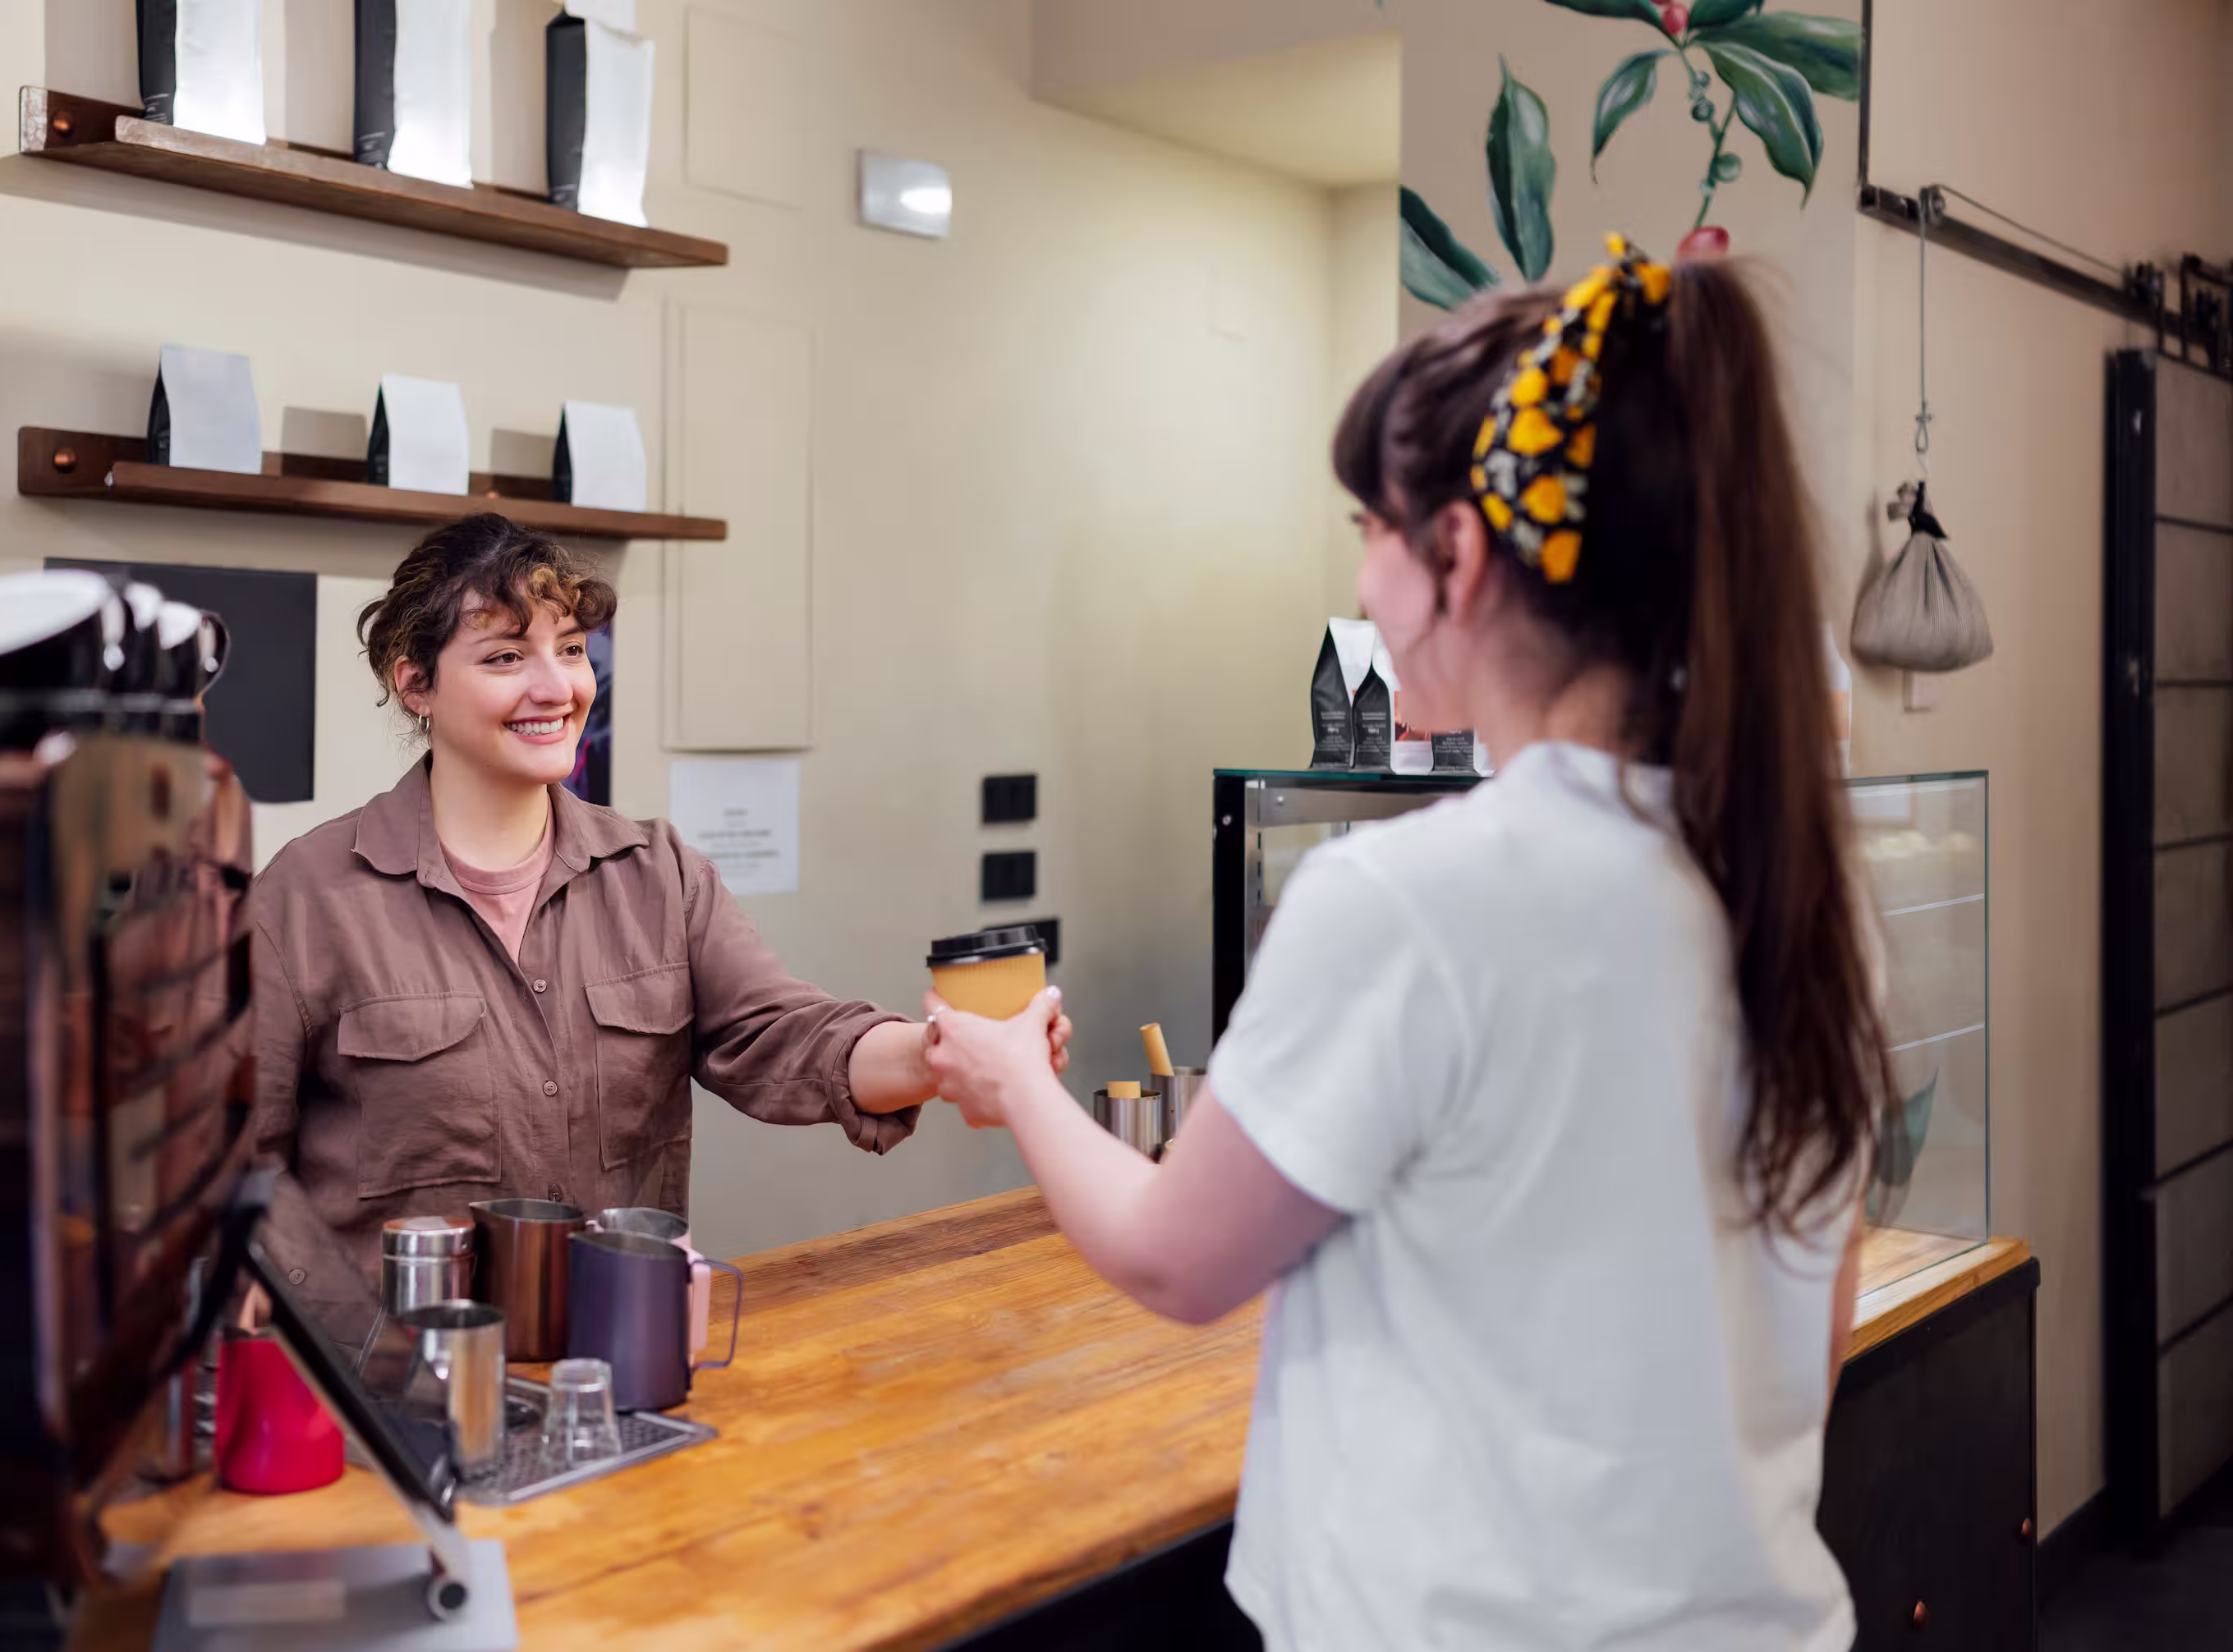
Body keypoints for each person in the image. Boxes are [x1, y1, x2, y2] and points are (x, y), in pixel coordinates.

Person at [921, 239, 1889, 1651]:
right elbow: (1808, 1328)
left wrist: (1015, 1080)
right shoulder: (1793, 888)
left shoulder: (1411, 897)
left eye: (1367, 530)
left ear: (1458, 553)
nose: (1360, 584)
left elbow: (1173, 1259)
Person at [250, 513, 1069, 1288]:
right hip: (390, 1397)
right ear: (417, 683)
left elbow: (780, 1034)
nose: (556, 686)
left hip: (617, 1367)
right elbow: (233, 1179)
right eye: (505, 658)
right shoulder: (307, 897)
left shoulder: (659, 874)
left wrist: (941, 1052)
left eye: (570, 649)